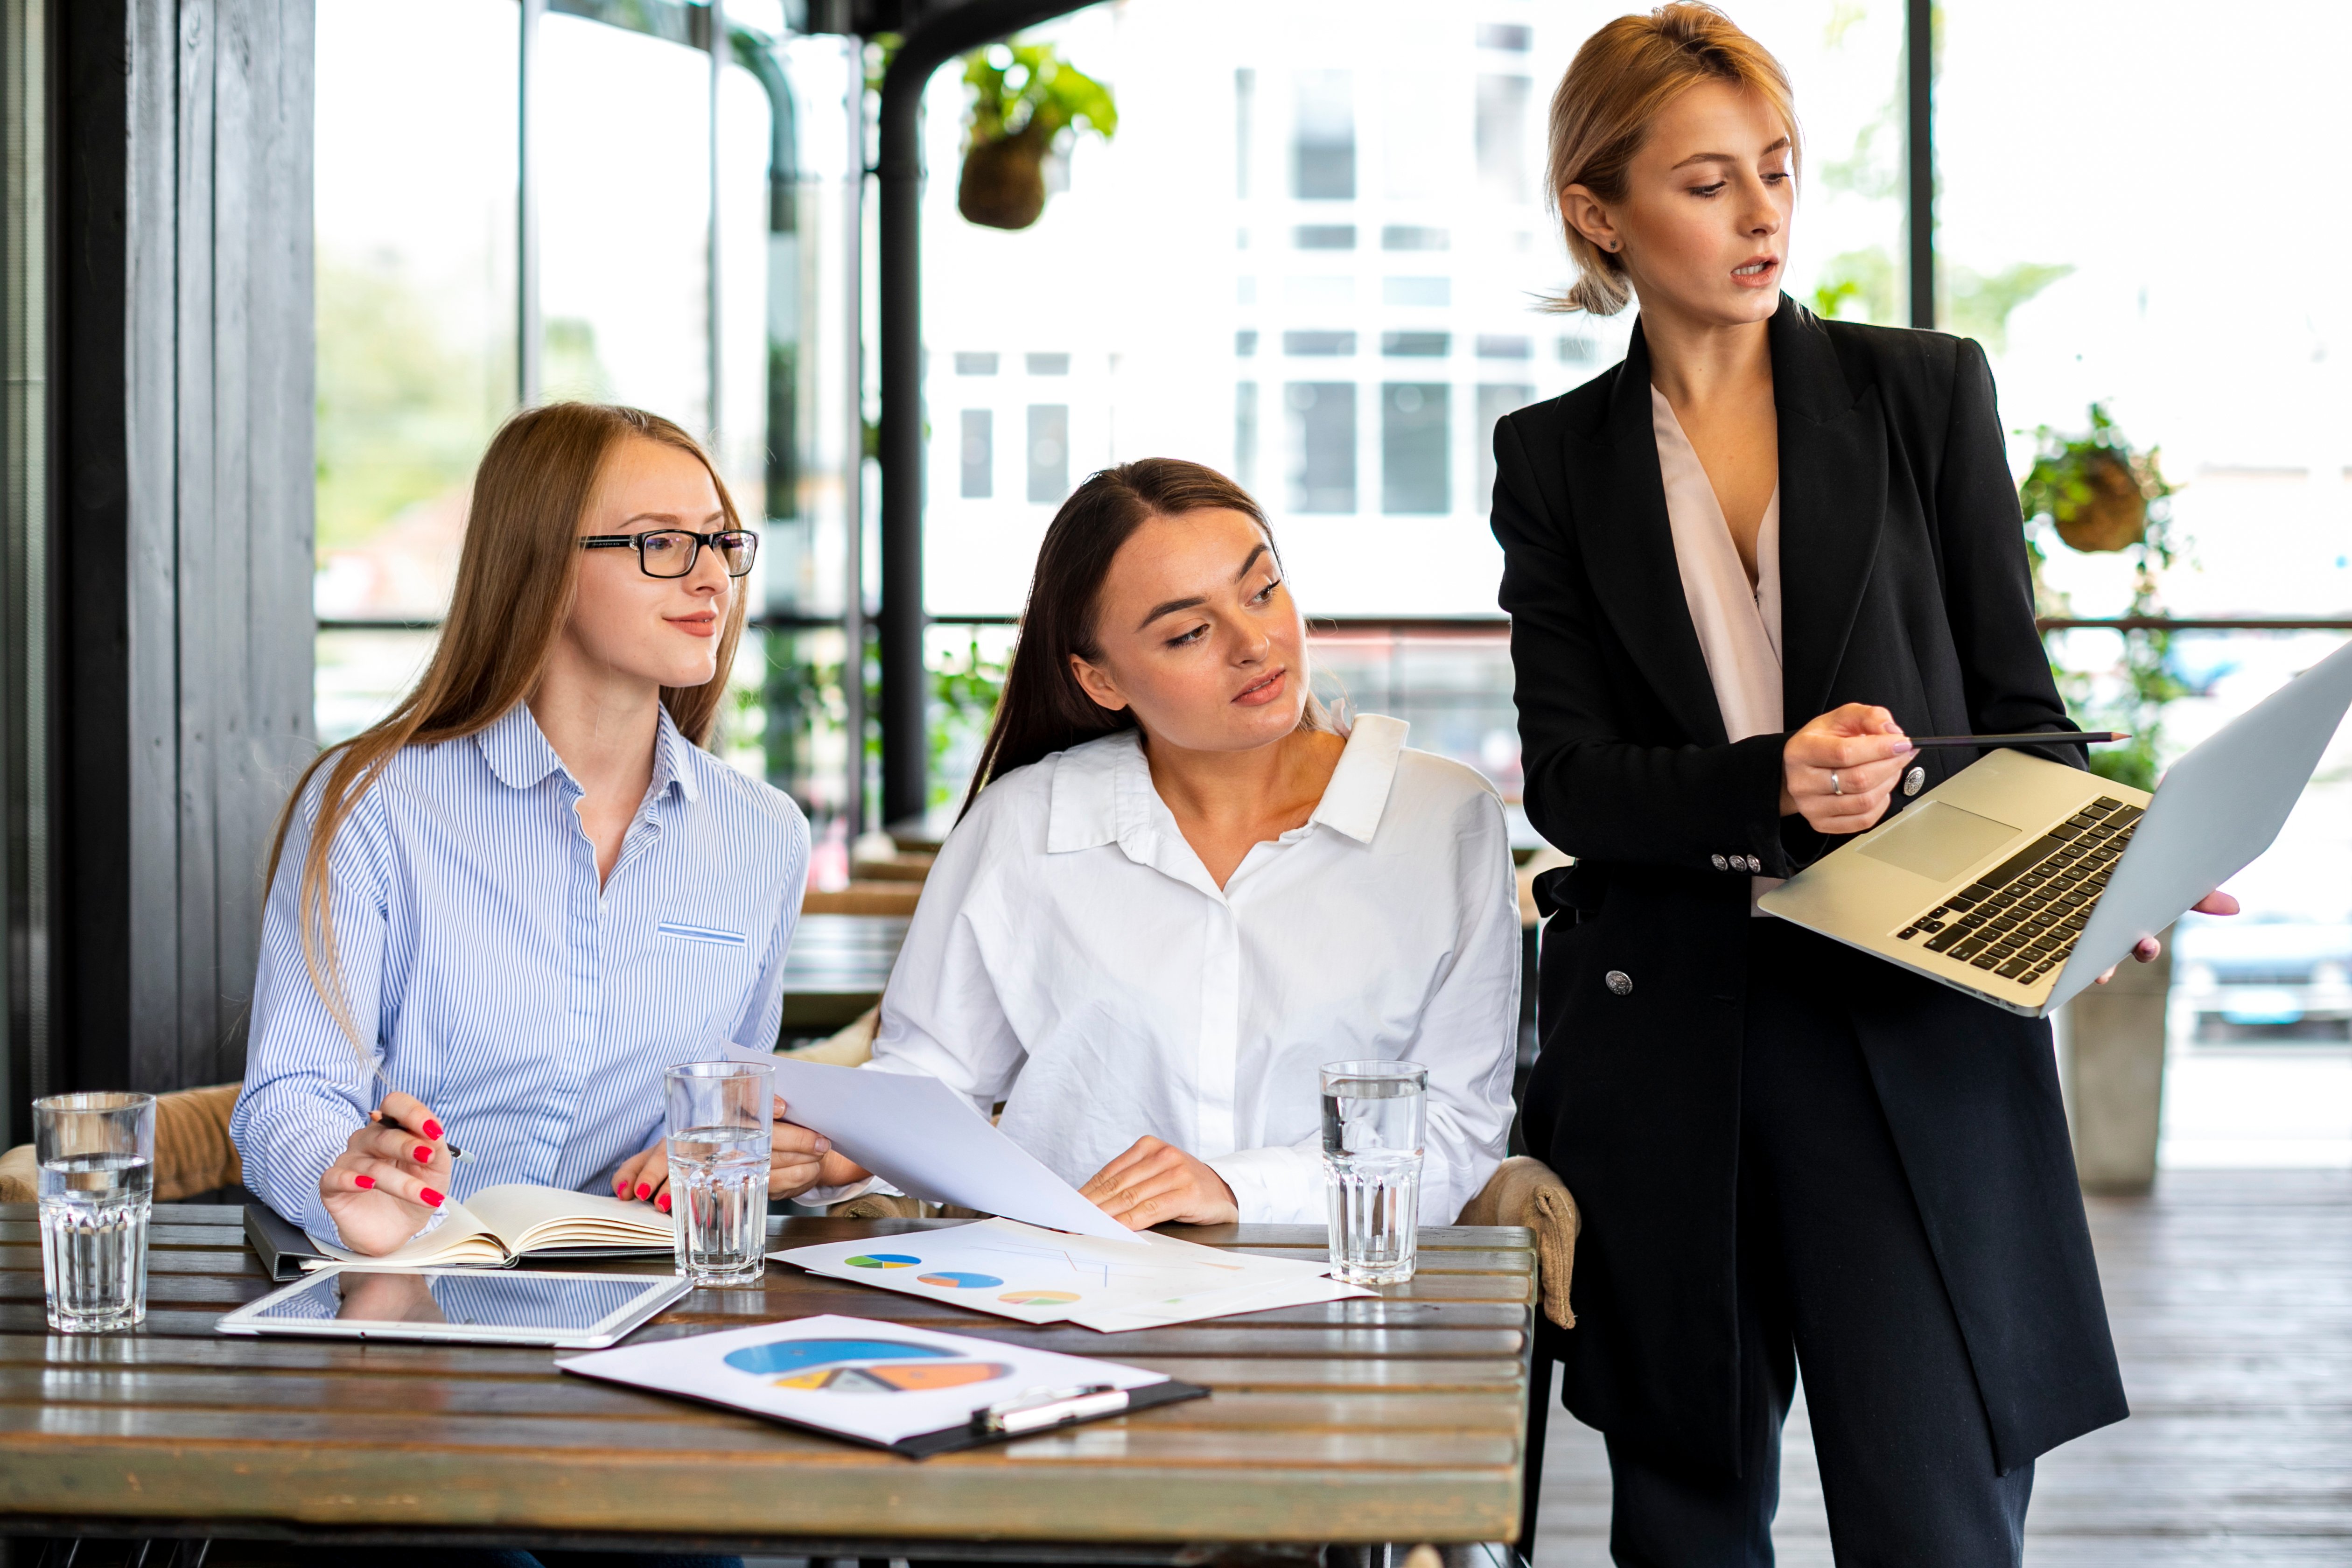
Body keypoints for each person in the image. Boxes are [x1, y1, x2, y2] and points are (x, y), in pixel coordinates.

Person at [1488, 7, 2236, 1563]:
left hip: (1908, 1017)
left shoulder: (1922, 395)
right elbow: (1570, 780)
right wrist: (1772, 786)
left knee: (1937, 1516)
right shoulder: (1554, 459)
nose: (1761, 215)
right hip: (1672, 1038)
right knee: (1689, 1521)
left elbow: (2016, 716)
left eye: (1776, 170)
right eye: (1707, 183)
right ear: (1597, 208)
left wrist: (2092, 869)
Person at [801, 459, 1519, 1228]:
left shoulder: (1443, 820)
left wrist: (1236, 1187)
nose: (1254, 643)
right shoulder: (1024, 824)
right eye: (1189, 633)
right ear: (1100, 680)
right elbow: (932, 1079)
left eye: (1263, 590)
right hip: (1069, 1301)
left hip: (1339, 1302)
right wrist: (842, 1148)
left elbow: (1455, 1138)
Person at [232, 403, 825, 1258]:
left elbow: (730, 1099)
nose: (711, 581)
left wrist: (733, 1143)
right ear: (543, 564)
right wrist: (347, 1184)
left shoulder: (765, 837)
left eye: (722, 542)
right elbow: (291, 1095)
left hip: (646, 1309)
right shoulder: (376, 802)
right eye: (661, 543)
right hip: (414, 1304)